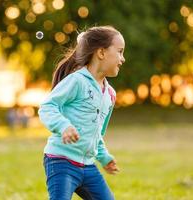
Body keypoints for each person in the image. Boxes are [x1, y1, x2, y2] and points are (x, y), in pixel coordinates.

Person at [38, 25, 125, 200]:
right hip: (61, 160)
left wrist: (104, 157)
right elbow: (47, 106)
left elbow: (96, 133)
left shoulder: (109, 95)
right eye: (120, 51)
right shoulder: (76, 81)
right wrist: (63, 126)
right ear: (101, 53)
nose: (122, 59)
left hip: (87, 166)